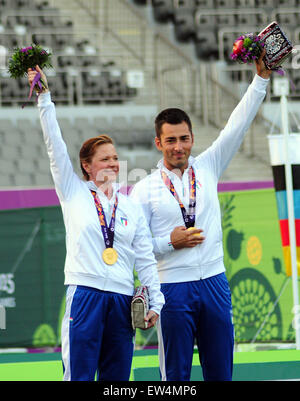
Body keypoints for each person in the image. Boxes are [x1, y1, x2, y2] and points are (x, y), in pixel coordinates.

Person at [130, 52, 272, 381]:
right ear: (158, 143)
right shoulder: (144, 190)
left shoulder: (208, 166)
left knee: (221, 370)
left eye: (184, 139)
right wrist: (169, 241)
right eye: (170, 140)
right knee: (176, 375)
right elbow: (135, 248)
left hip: (215, 283)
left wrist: (261, 80)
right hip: (172, 289)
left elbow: (238, 125)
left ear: (192, 138)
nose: (178, 147)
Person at [27, 66, 164, 381]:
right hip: (85, 293)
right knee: (79, 375)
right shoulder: (73, 192)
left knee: (117, 378)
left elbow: (144, 257)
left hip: (121, 299)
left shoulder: (129, 207)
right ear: (87, 166)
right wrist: (44, 99)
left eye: (115, 158)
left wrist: (156, 299)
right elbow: (55, 149)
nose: (113, 164)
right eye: (105, 159)